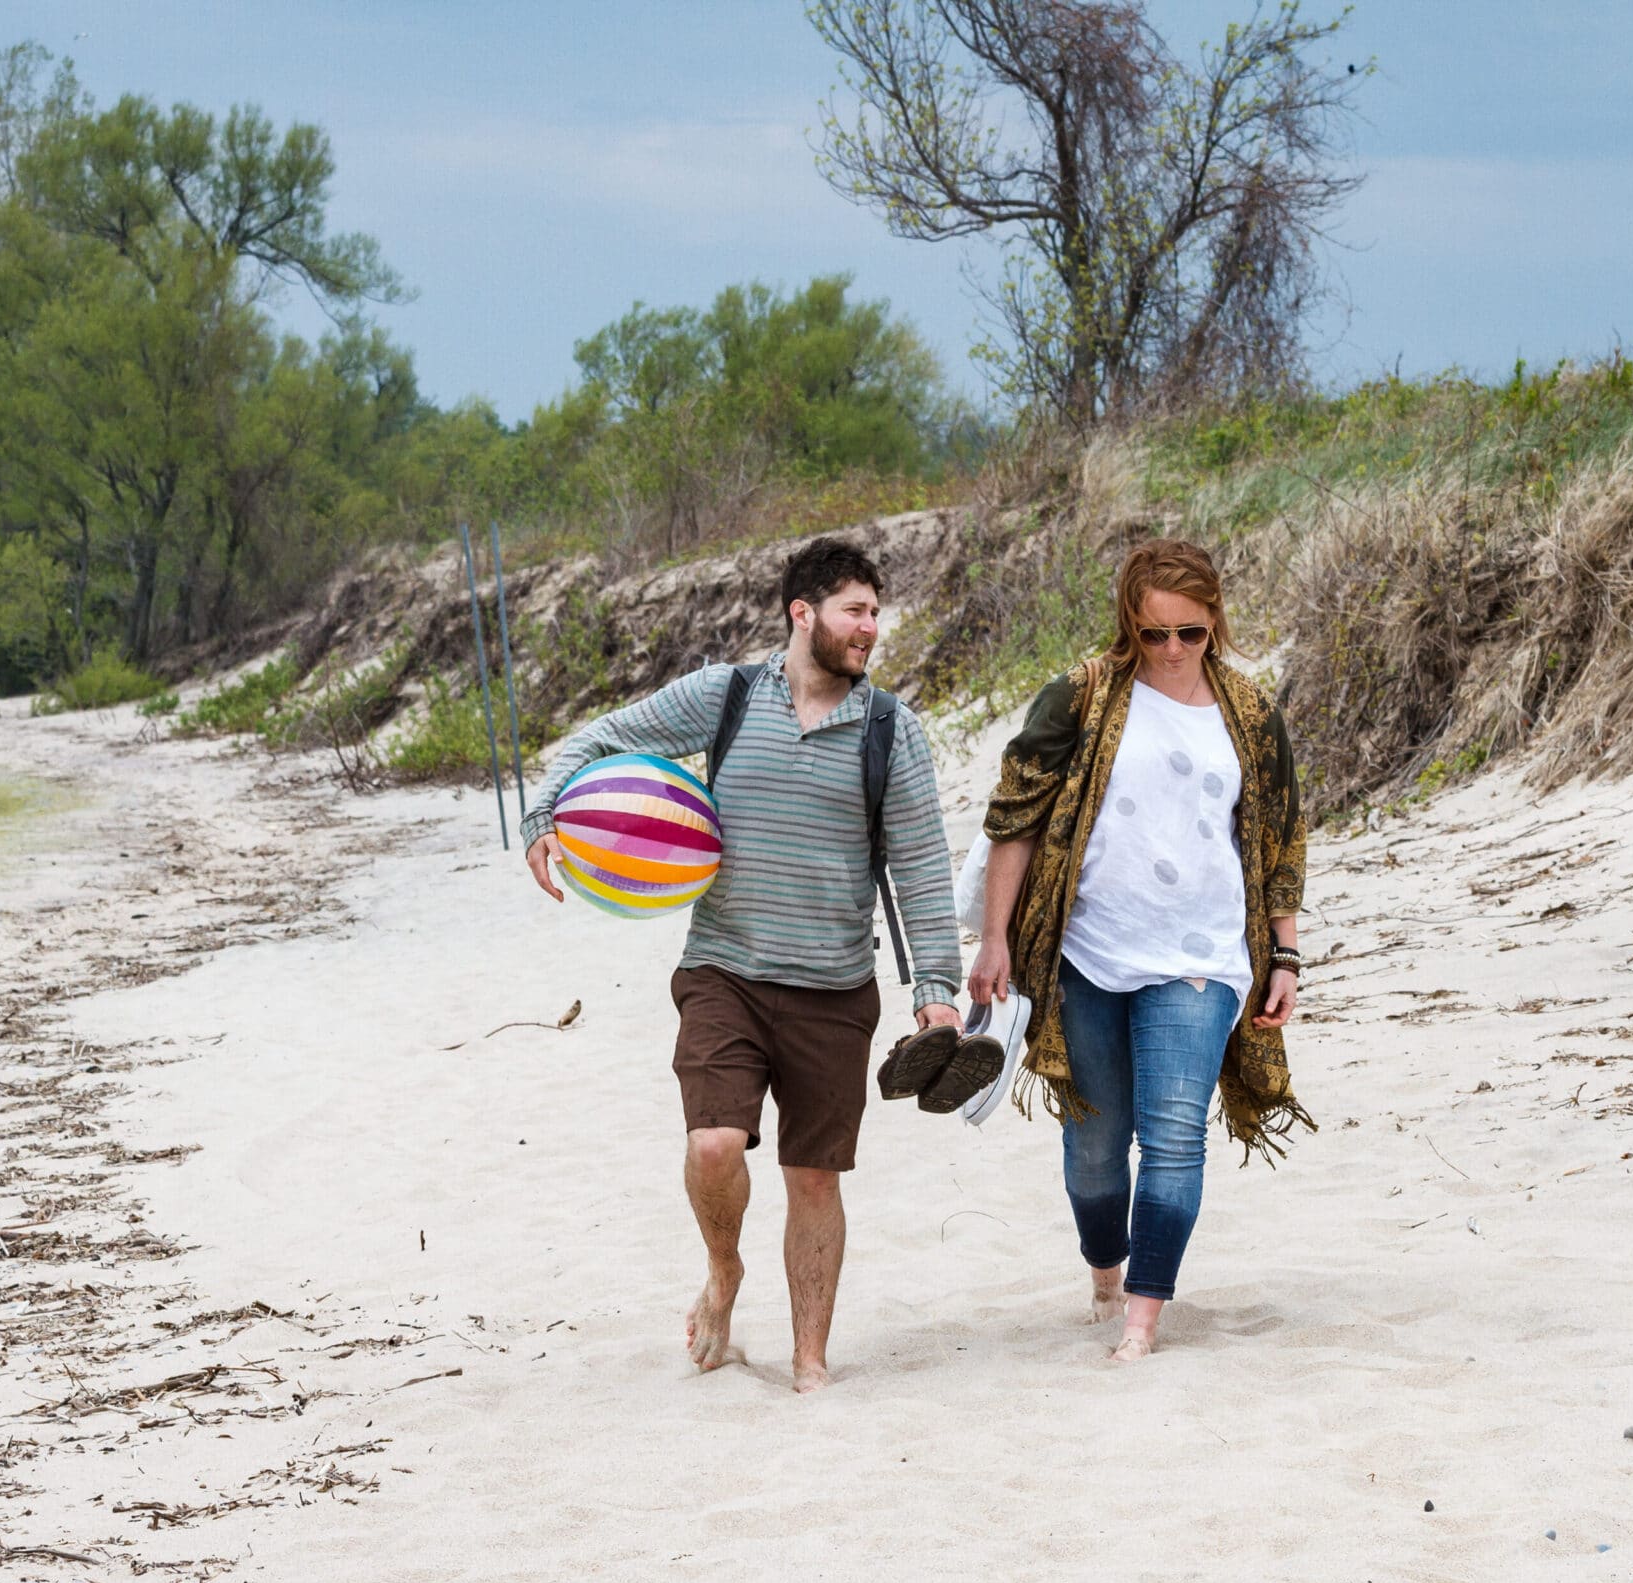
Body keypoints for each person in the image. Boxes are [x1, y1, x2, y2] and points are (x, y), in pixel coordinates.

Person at [521, 538, 964, 1392]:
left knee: (812, 1177)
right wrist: (547, 812)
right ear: (803, 613)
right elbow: (600, 738)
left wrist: (935, 993)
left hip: (835, 986)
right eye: (855, 611)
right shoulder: (726, 697)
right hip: (723, 969)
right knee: (716, 1145)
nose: (871, 628)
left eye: (876, 611)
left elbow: (920, 862)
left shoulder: (888, 728)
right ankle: (725, 1270)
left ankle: (809, 1362)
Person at [968, 538, 1311, 1363]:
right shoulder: (1080, 697)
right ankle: (1104, 1268)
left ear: (1213, 622)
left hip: (1203, 957)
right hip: (1089, 949)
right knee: (1094, 1148)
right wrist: (995, 938)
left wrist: (1286, 954)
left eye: (1189, 633)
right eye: (1153, 633)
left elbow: (1280, 834)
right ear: (1129, 623)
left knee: (1173, 1136)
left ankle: (1142, 1319)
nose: (1170, 651)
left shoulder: (1250, 712)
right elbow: (1013, 817)